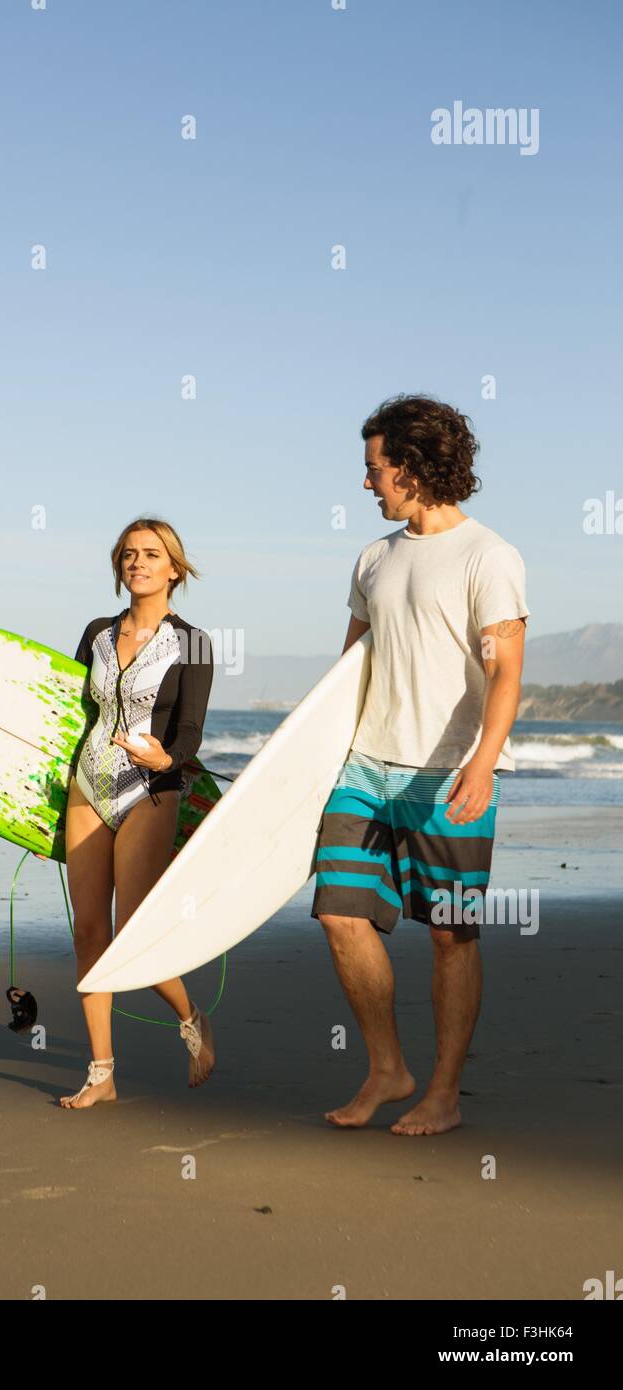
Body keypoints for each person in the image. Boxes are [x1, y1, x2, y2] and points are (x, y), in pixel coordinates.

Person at [312, 395, 530, 1136]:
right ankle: (386, 1067)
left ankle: (443, 1093)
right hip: (365, 765)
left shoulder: (488, 557)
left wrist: (483, 762)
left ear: (409, 466)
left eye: (374, 469)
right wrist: (312, 759)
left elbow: (504, 673)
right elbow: (351, 666)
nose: (366, 484)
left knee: (450, 932)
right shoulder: (374, 558)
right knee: (340, 915)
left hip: (449, 769)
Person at [60, 516, 216, 1108]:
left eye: (151, 554)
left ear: (174, 568)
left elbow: (193, 730)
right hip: (88, 784)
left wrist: (166, 755)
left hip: (151, 787)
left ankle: (191, 1018)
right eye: (128, 554)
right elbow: (73, 713)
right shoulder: (97, 632)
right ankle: (102, 1074)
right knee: (88, 932)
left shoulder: (193, 641)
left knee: (131, 934)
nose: (138, 563)